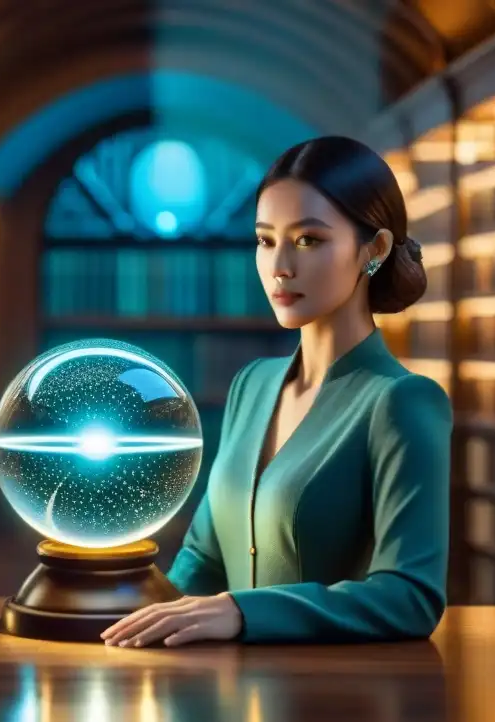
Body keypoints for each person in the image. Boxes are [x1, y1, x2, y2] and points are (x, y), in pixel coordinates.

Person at [101, 135, 453, 648]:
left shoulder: (401, 401)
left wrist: (242, 612)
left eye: (308, 239)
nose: (279, 266)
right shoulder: (252, 384)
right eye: (266, 240)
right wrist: (134, 626)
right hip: (228, 696)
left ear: (373, 249)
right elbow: (204, 556)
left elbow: (411, 597)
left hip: (331, 700)